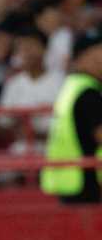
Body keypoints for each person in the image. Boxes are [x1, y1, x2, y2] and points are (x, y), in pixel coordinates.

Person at [41, 29, 102, 204]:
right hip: (85, 180)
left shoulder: (71, 86)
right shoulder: (88, 92)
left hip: (69, 179)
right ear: (83, 58)